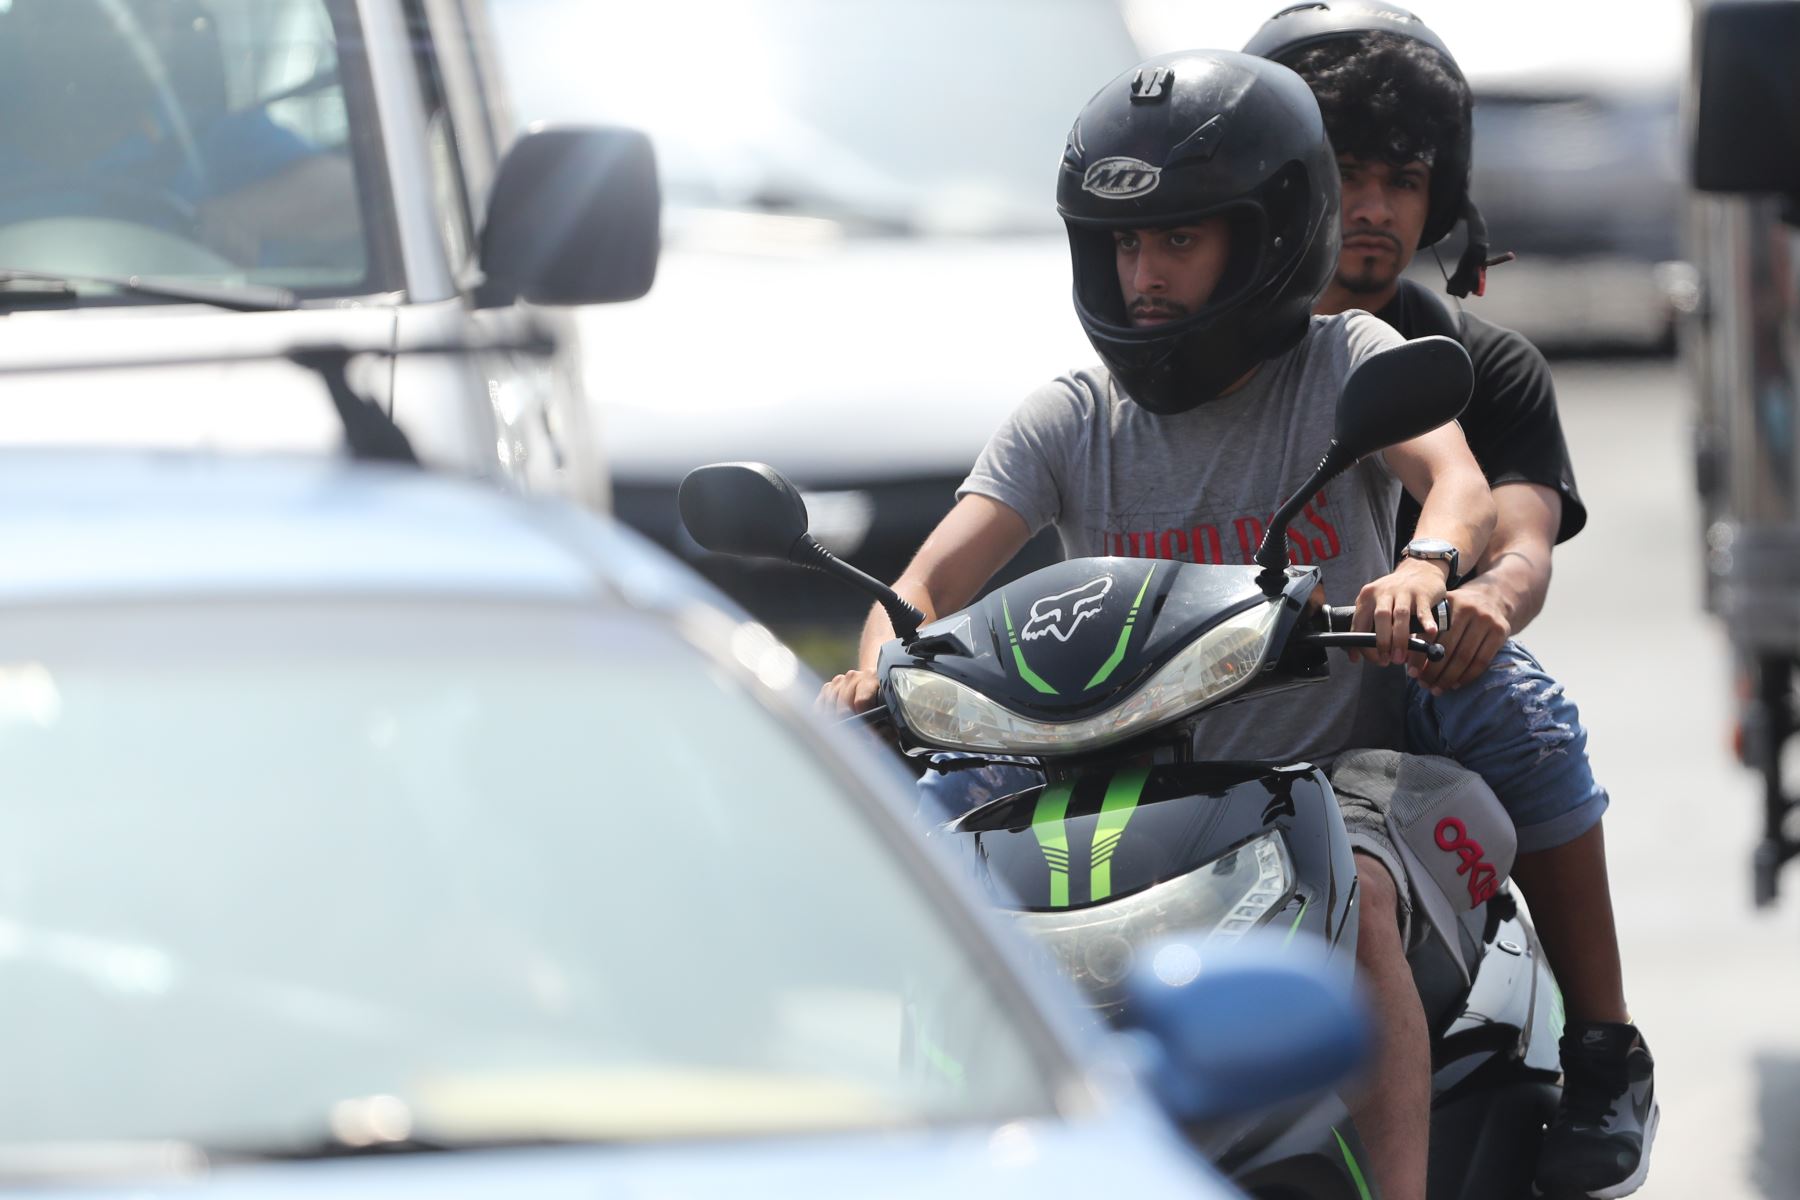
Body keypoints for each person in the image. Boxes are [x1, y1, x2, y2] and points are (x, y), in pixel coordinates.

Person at [819, 50, 1494, 1200]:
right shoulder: (1071, 417)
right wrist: (871, 671)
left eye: (1178, 239)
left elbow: (1458, 487)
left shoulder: (1344, 364)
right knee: (939, 909)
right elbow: (922, 588)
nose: (1144, 273)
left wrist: (1423, 567)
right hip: (1106, 790)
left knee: (1363, 902)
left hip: (1325, 772)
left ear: (1273, 234)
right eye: (1126, 243)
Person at [1244, 6, 1657, 1196]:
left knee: (1511, 703)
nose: (1373, 205)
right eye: (1345, 173)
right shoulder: (1196, 351)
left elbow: (1517, 540)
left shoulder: (1482, 365)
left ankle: (1603, 1046)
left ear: (1444, 195)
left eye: (1404, 178)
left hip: (1397, 681)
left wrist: (1476, 598)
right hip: (1216, 684)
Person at [0, 0, 359, 267]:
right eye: (70, 15)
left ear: (169, 35)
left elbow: (357, 198)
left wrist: (243, 214)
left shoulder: (209, 140)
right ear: (21, 33)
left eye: (139, 13)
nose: (108, 34)